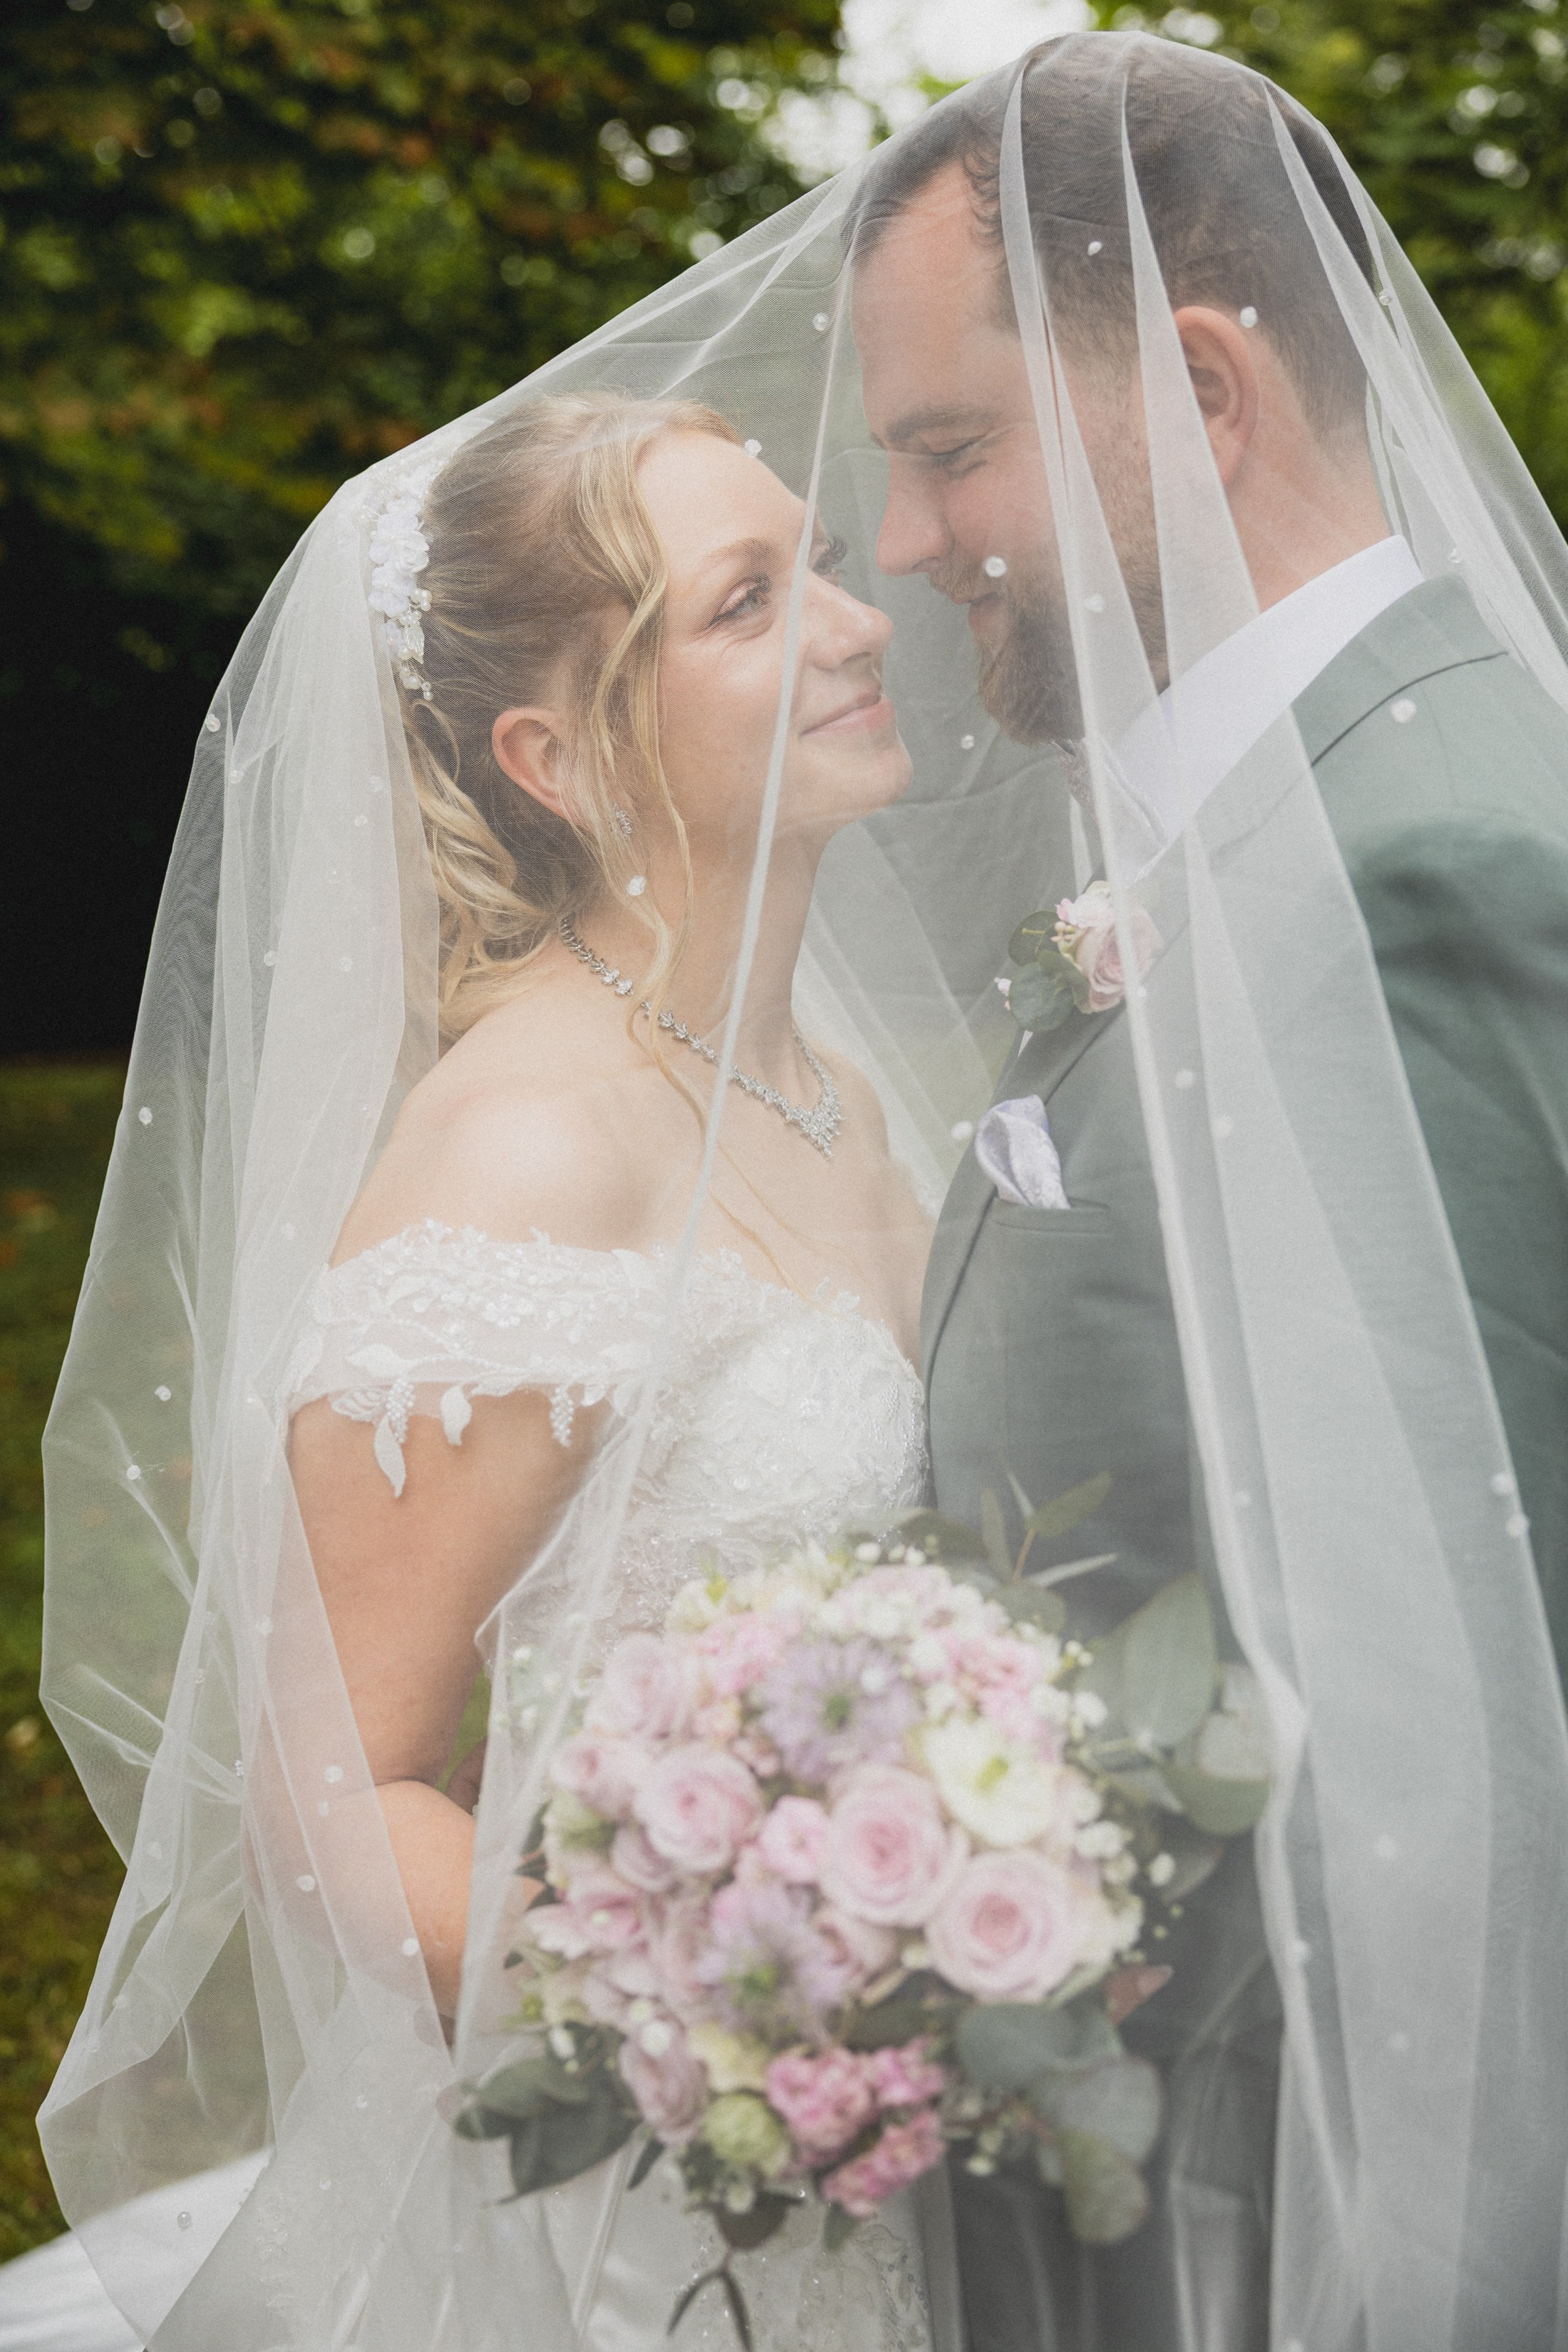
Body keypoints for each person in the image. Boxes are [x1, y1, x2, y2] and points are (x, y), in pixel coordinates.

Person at [14, 34, 1568, 2352]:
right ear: (555, 754)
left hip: (978, 2150)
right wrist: (742, 2011)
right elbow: (331, 1776)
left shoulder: (846, 1087)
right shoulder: (531, 1143)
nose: (869, 605)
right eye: (750, 601)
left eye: (841, 540)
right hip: (714, 2188)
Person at [851, 31, 1568, 2352]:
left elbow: (1490, 1704)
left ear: (1202, 390)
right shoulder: (1277, 806)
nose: (900, 542)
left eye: (947, 449)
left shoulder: (1432, 859)